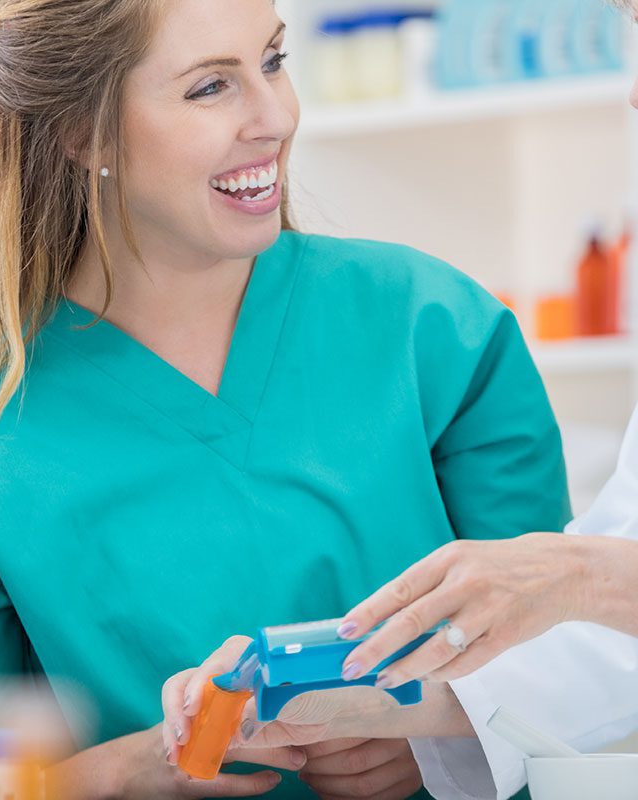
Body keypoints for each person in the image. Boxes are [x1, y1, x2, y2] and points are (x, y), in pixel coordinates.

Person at [0, 1, 571, 798]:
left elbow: (565, 652)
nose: (276, 118)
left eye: (273, 62)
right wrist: (126, 772)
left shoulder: (433, 328)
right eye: (210, 87)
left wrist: (454, 737)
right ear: (81, 132)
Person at [164, 5, 638, 798]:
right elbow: (613, 645)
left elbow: (607, 593)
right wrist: (364, 703)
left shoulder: (432, 322)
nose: (633, 94)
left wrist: (582, 574)